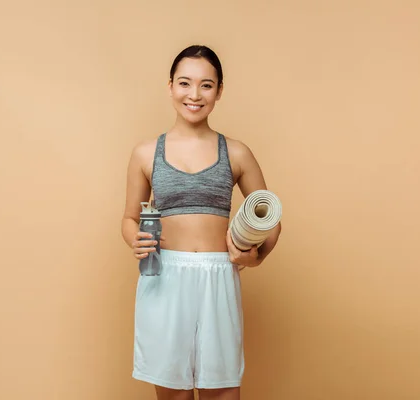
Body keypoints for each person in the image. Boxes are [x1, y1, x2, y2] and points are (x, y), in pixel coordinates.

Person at [121, 45, 282, 400]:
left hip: (218, 275)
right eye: (185, 83)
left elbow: (271, 218)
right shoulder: (146, 153)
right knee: (173, 392)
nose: (194, 95)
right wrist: (135, 238)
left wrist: (255, 258)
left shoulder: (236, 152)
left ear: (219, 91)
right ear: (170, 87)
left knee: (222, 389)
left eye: (206, 85)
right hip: (164, 276)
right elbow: (130, 217)